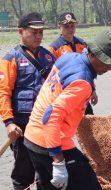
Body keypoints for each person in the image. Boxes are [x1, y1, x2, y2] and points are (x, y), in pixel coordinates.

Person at [23, 30, 111, 190]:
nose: (109, 68)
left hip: (32, 137)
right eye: (108, 62)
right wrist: (58, 162)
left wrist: (90, 86)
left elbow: (63, 84)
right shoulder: (82, 82)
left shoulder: (69, 57)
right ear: (94, 55)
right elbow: (51, 116)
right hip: (51, 143)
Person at [0, 12, 55, 190]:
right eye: (33, 32)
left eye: (41, 32)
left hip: (45, 124)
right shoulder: (11, 59)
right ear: (21, 31)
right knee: (23, 173)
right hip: (21, 127)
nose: (38, 36)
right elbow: (3, 93)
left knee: (46, 172)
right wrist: (9, 123)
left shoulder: (49, 57)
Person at [48, 12, 96, 115]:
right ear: (59, 27)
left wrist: (93, 89)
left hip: (83, 91)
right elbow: (50, 75)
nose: (70, 29)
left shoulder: (82, 44)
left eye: (72, 26)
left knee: (89, 123)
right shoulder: (54, 48)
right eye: (66, 26)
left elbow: (89, 69)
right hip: (66, 93)